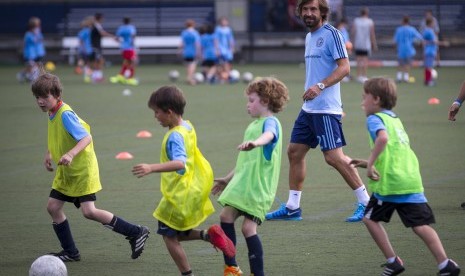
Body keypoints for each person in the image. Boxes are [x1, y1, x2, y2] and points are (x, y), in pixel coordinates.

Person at [266, 0, 370, 223]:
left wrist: (320, 86)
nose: (309, 13)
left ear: (322, 12)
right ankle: (293, 207)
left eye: (313, 9)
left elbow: (345, 67)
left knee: (334, 158)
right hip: (309, 109)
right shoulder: (309, 36)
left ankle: (366, 202)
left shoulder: (332, 34)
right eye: (305, 10)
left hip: (326, 109)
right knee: (294, 151)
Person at [31, 72, 150, 262]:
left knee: (89, 212)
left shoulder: (65, 114)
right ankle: (70, 251)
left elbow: (86, 137)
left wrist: (70, 154)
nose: (41, 101)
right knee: (53, 207)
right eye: (37, 97)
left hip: (81, 170)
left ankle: (136, 232)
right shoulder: (52, 112)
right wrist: (49, 153)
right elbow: (58, 136)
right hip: (67, 171)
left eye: (45, 97)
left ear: (57, 96)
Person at [350, 77, 461, 276]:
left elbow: (382, 139)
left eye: (363, 97)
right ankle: (445, 264)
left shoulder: (375, 119)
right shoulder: (395, 119)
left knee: (369, 219)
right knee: (420, 225)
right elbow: (394, 152)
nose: (361, 102)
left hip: (390, 183)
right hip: (410, 179)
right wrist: (367, 163)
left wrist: (371, 165)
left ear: (375, 99)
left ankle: (393, 261)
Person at [131, 85, 235, 276]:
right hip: (194, 186)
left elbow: (180, 163)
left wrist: (150, 167)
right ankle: (207, 234)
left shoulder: (175, 136)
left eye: (157, 112)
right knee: (174, 231)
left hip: (179, 193)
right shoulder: (187, 125)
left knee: (168, 236)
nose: (155, 117)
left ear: (169, 112)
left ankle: (187, 274)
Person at [213, 77, 289, 276]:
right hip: (242, 185)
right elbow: (245, 163)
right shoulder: (253, 125)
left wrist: (257, 143)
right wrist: (227, 179)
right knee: (225, 217)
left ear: (265, 101)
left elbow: (270, 135)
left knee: (248, 228)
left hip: (258, 188)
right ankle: (232, 267)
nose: (248, 105)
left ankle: (258, 273)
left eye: (252, 100)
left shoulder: (270, 123)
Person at [351, 7, 377, 83]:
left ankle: (358, 76)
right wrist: (374, 44)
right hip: (366, 44)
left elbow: (353, 32)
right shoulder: (370, 21)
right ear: (367, 13)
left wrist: (352, 42)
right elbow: (372, 34)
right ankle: (364, 76)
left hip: (358, 43)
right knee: (365, 60)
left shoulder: (356, 21)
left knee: (358, 60)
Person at [393, 15, 423, 83]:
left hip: (401, 49)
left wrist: (395, 48)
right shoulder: (412, 29)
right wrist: (414, 40)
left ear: (403, 21)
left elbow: (395, 40)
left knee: (400, 64)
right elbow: (420, 37)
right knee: (407, 64)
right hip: (409, 49)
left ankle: (399, 77)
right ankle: (406, 78)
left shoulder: (399, 29)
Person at [110, 17, 138, 86]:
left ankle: (121, 76)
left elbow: (116, 38)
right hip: (130, 48)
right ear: (130, 21)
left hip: (123, 48)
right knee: (133, 62)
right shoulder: (131, 28)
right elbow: (133, 36)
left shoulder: (121, 28)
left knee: (126, 61)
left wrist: (121, 43)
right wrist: (133, 45)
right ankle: (130, 79)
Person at [90, 13, 116, 83]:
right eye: (102, 18)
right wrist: (112, 36)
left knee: (98, 61)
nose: (103, 19)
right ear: (100, 18)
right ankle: (97, 77)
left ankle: (96, 77)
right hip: (96, 46)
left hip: (96, 46)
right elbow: (102, 33)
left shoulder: (95, 25)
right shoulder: (97, 25)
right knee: (100, 61)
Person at [17, 17, 41, 83]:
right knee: (31, 65)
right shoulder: (28, 34)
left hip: (34, 52)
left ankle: (22, 74)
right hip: (29, 53)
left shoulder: (37, 32)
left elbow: (39, 40)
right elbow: (30, 42)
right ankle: (31, 78)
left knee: (33, 65)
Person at [179, 19, 201, 85]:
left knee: (188, 65)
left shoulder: (184, 32)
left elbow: (182, 43)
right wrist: (198, 51)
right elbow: (197, 43)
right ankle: (190, 78)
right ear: (193, 25)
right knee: (193, 65)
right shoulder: (195, 33)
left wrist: (180, 50)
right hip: (193, 51)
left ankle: (189, 77)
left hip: (186, 51)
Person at [214, 17, 235, 83]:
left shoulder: (229, 30)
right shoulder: (218, 29)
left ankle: (227, 76)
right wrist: (217, 49)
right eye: (223, 21)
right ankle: (220, 77)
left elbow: (231, 39)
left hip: (227, 50)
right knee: (220, 64)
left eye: (225, 21)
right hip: (221, 49)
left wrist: (232, 48)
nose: (224, 22)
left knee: (228, 63)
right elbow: (216, 39)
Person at [76, 16, 94, 82]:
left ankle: (85, 74)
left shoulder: (83, 31)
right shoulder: (86, 31)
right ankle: (86, 75)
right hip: (86, 49)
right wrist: (84, 49)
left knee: (85, 63)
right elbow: (81, 41)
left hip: (85, 49)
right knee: (87, 63)